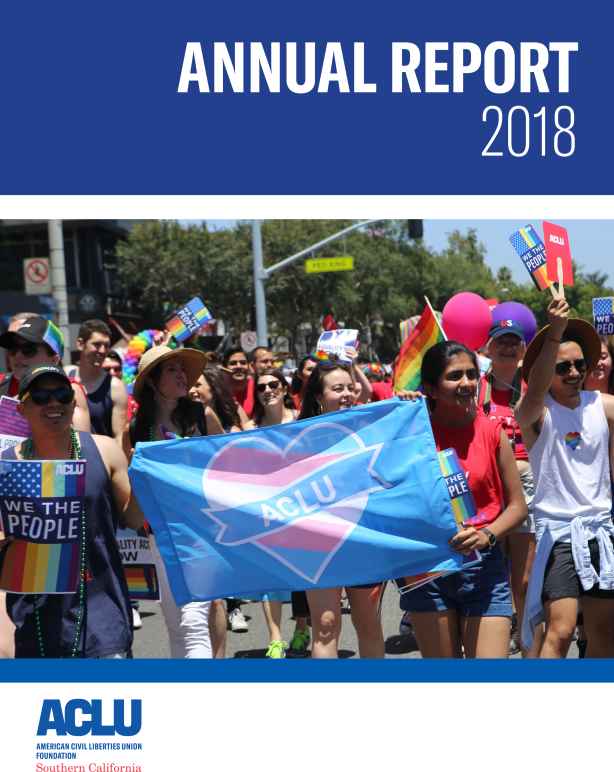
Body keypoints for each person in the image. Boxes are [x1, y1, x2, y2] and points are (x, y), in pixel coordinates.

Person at [0, 364, 142, 657]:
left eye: (62, 394)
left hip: (102, 612)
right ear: (21, 409)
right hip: (34, 620)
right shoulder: (8, 466)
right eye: (40, 396)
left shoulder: (104, 451)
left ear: (73, 401)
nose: (53, 403)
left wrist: (146, 481)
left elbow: (133, 518)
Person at [400, 340, 527, 658]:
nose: (467, 383)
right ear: (430, 387)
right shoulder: (410, 438)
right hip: (429, 568)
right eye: (455, 376)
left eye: (472, 374)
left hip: (485, 570)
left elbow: (518, 507)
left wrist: (487, 535)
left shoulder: (492, 432)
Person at [516, 297, 614, 658]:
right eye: (562, 367)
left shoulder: (599, 405)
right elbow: (534, 394)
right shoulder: (536, 413)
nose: (573, 372)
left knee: (604, 630)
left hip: (601, 531)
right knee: (561, 628)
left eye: (579, 364)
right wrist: (554, 332)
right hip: (558, 535)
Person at [123, 344, 214, 658]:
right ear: (152, 380)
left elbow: (226, 462)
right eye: (172, 369)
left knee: (193, 619)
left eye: (182, 368)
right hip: (159, 534)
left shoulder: (202, 416)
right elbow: (130, 509)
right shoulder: (135, 430)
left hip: (200, 530)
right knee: (175, 623)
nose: (182, 375)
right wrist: (137, 472)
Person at [298, 360, 385, 658]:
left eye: (350, 387)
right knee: (325, 624)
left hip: (365, 539)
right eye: (337, 389)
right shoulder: (297, 439)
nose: (347, 394)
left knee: (368, 623)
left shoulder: (372, 428)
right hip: (318, 543)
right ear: (319, 398)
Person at [480, 320, 539, 656]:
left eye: (513, 341)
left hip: (526, 479)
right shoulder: (475, 387)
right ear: (488, 348)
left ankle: (526, 636)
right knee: (488, 567)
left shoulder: (533, 384)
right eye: (500, 341)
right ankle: (494, 633)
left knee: (524, 574)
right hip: (486, 482)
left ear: (523, 349)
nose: (507, 347)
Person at [252, 368, 310, 657]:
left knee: (302, 575)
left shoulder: (301, 421)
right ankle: (275, 637)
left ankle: (301, 628)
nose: (267, 390)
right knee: (269, 576)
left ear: (285, 388)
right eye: (261, 386)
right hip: (266, 511)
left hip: (300, 510)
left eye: (273, 384)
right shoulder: (250, 429)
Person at [0, 314, 90, 432]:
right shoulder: (2, 382)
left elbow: (82, 444)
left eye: (28, 349)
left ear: (54, 360)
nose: (17, 356)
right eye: (13, 349)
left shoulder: (70, 390)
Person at [66, 319, 128, 444]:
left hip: (101, 459)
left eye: (106, 345)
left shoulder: (115, 386)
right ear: (80, 344)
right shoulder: (66, 375)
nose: (103, 351)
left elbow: (119, 437)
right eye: (97, 344)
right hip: (67, 460)